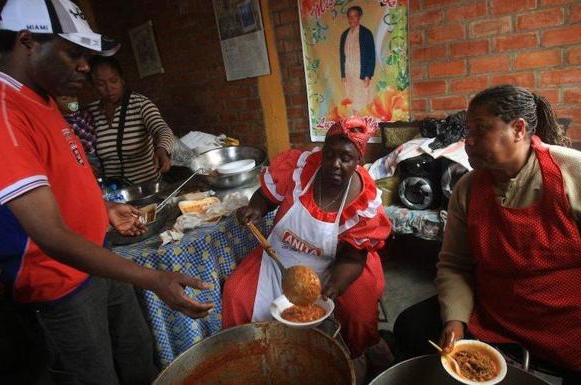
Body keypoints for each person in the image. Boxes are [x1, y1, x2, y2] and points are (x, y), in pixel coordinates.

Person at [0, 1, 213, 384]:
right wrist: (152, 278)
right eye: (74, 53)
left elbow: (62, 180)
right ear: (27, 41)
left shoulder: (41, 98)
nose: (85, 67)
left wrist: (104, 206)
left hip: (96, 258)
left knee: (137, 359)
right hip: (56, 284)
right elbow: (50, 236)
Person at [393, 85, 581, 384]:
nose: (468, 142)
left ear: (518, 129)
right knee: (409, 327)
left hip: (565, 324)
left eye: (481, 130)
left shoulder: (571, 172)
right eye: (468, 131)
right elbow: (455, 264)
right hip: (494, 312)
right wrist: (455, 320)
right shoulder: (467, 189)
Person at [222, 116, 393, 383]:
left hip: (336, 265)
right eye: (330, 155)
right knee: (236, 294)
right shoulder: (299, 168)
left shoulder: (363, 199)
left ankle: (357, 353)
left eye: (345, 158)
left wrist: (333, 288)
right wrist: (255, 209)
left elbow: (353, 258)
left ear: (357, 161)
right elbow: (266, 197)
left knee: (357, 311)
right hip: (280, 254)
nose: (335, 164)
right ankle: (254, 356)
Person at [87, 55, 173, 185]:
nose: (109, 88)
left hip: (148, 189)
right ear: (93, 85)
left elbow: (162, 129)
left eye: (113, 80)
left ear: (122, 79)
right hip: (115, 194)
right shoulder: (89, 113)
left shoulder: (140, 104)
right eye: (100, 84)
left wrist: (162, 150)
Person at [340, 6, 375, 114]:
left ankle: (362, 127)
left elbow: (371, 55)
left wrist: (368, 74)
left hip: (361, 73)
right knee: (350, 100)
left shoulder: (366, 33)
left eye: (355, 16)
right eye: (350, 17)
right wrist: (343, 74)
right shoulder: (344, 35)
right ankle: (353, 126)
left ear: (359, 17)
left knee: (362, 101)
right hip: (349, 73)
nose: (352, 19)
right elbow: (342, 56)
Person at [55, 95, 101, 176]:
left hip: (92, 155)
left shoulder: (85, 114)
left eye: (73, 97)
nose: (71, 101)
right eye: (64, 99)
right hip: (75, 158)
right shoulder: (59, 121)